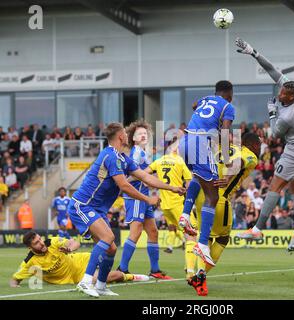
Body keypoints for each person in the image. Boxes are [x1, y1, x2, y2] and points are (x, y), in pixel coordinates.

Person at [68, 122, 184, 297]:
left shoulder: (123, 158)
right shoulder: (111, 156)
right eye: (125, 132)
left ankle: (100, 285)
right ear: (121, 136)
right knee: (108, 237)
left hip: (97, 209)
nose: (127, 135)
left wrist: (171, 187)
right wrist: (148, 199)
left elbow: (145, 176)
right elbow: (123, 185)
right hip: (82, 205)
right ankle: (85, 281)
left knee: (111, 248)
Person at [235, 38, 294, 252]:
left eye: (283, 94)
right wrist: (253, 52)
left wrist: (272, 112)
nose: (279, 94)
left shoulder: (288, 115)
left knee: (275, 186)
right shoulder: (290, 88)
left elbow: (275, 135)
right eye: (280, 91)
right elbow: (271, 68)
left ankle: (258, 228)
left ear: (292, 97)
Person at [191, 133, 260, 296]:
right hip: (219, 198)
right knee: (222, 238)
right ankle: (200, 274)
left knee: (205, 237)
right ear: (254, 145)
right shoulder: (249, 154)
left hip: (201, 196)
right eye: (260, 146)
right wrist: (229, 177)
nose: (260, 149)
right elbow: (239, 161)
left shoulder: (222, 148)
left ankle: (198, 273)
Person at [118, 120, 186, 281]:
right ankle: (122, 269)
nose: (143, 135)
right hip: (136, 197)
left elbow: (143, 174)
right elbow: (132, 175)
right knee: (135, 232)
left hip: (145, 196)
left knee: (153, 232)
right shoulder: (136, 153)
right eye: (139, 133)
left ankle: (155, 270)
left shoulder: (142, 153)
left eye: (145, 133)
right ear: (133, 138)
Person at [178, 80, 235, 266]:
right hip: (200, 144)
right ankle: (202, 244)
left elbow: (195, 104)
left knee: (197, 176)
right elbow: (225, 132)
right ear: (230, 94)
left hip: (184, 143)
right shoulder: (228, 106)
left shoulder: (205, 99)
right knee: (212, 196)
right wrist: (227, 161)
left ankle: (185, 215)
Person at [10, 232, 148, 287]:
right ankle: (129, 276)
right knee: (112, 276)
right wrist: (15, 286)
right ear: (30, 248)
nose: (41, 243)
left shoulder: (51, 242)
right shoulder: (30, 262)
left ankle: (129, 275)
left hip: (82, 260)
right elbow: (15, 280)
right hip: (77, 277)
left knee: (103, 265)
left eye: (40, 239)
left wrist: (70, 248)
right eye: (36, 243)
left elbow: (74, 242)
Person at [147, 137, 192, 254]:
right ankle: (190, 268)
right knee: (190, 233)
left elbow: (144, 173)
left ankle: (171, 246)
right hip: (177, 202)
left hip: (165, 204)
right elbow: (189, 184)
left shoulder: (159, 161)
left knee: (172, 227)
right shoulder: (180, 162)